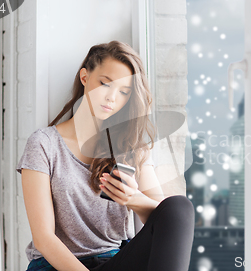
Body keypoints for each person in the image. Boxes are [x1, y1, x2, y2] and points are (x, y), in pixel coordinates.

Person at [16, 40, 195, 271]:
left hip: (114, 261)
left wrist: (133, 199)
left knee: (179, 207)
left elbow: (165, 219)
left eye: (123, 92)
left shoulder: (131, 146)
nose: (112, 97)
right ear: (84, 77)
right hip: (57, 267)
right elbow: (43, 239)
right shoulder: (44, 144)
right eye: (105, 84)